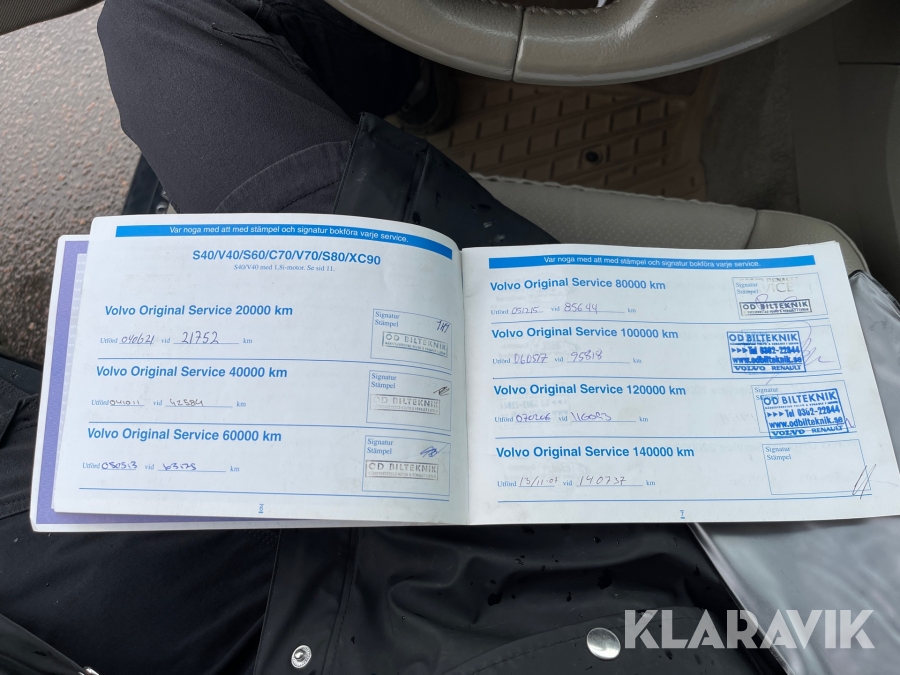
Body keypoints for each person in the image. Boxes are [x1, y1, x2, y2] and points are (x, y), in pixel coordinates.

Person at [0, 2, 778, 673]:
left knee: (156, 45)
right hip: (458, 568)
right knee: (168, 26)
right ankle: (406, 65)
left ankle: (400, 70)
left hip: (173, 583)